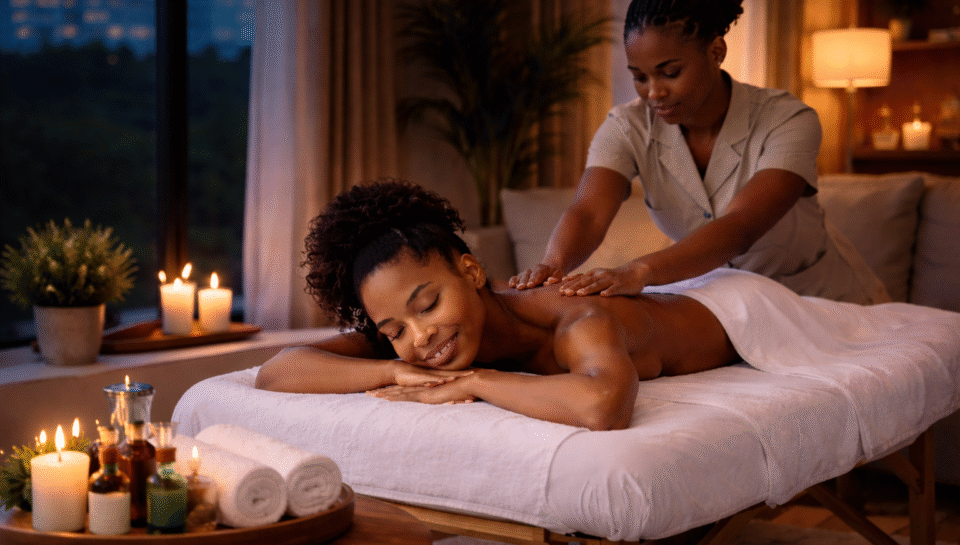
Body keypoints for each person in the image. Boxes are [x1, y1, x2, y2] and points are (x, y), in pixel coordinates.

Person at [255, 179, 740, 431]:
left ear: (470, 272)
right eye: (394, 331)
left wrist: (474, 381)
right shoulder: (428, 340)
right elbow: (278, 371)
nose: (418, 335)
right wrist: (392, 371)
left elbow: (603, 408)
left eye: (427, 304)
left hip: (735, 309)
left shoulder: (576, 317)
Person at [508, 0, 888, 305]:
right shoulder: (628, 126)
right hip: (732, 308)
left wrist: (638, 271)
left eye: (669, 72)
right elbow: (589, 211)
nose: (653, 92)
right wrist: (552, 266)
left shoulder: (787, 119)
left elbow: (740, 227)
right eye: (640, 77)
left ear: (716, 51)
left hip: (826, 303)